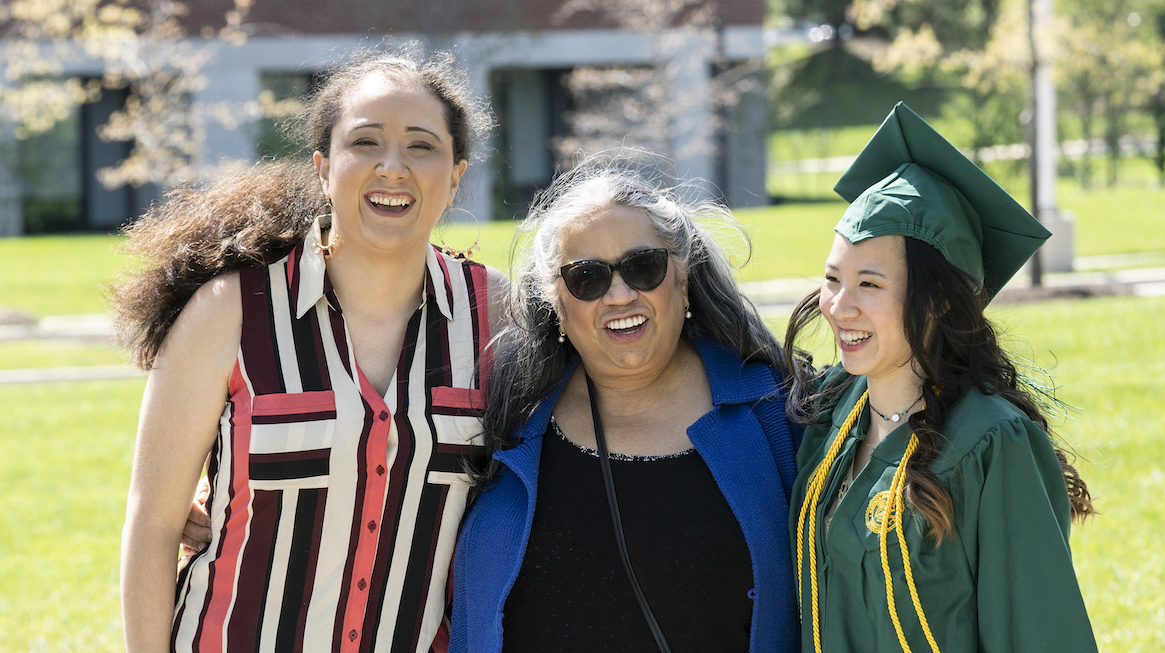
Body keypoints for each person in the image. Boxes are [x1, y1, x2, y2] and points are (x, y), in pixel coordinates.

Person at [116, 45, 503, 653]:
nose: (393, 167)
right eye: (366, 142)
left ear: (456, 176)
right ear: (323, 167)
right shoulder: (228, 312)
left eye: (422, 146)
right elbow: (154, 525)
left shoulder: (497, 316)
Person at [449, 152, 803, 653]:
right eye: (587, 278)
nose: (618, 295)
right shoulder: (507, 420)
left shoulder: (781, 413)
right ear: (556, 302)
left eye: (643, 267)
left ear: (683, 277)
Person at [784, 102, 1098, 653]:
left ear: (940, 303)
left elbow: (1039, 633)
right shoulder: (834, 409)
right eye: (834, 278)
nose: (838, 307)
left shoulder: (990, 441)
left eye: (870, 285)